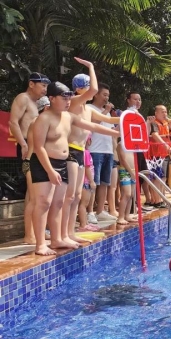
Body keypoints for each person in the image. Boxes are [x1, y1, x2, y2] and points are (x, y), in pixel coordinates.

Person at [30, 81, 124, 256]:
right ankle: (40, 244)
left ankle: (57, 239)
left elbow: (93, 126)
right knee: (43, 203)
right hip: (44, 163)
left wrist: (118, 133)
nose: (68, 101)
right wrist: (50, 170)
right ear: (52, 98)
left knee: (58, 203)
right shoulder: (43, 118)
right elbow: (39, 147)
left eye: (69, 98)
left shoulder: (69, 117)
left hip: (62, 163)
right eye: (64, 98)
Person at [63, 61, 120, 245]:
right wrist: (91, 67)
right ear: (79, 89)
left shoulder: (87, 109)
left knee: (77, 196)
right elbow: (95, 89)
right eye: (87, 87)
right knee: (70, 195)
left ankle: (70, 232)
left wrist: (129, 119)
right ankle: (64, 233)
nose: (91, 91)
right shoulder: (74, 102)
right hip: (70, 150)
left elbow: (107, 121)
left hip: (81, 152)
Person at [10, 73, 51, 244]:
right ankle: (30, 234)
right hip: (28, 146)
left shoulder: (38, 104)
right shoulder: (23, 98)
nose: (45, 89)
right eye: (43, 85)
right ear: (31, 84)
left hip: (37, 147)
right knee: (32, 193)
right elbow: (13, 122)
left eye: (47, 86)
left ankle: (37, 230)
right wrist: (23, 144)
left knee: (37, 193)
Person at [87, 82, 119, 222]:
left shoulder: (108, 114)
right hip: (95, 150)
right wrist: (106, 111)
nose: (107, 98)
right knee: (93, 182)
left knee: (105, 182)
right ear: (96, 94)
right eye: (104, 95)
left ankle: (100, 211)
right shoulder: (89, 108)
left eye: (108, 95)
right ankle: (90, 211)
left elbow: (112, 132)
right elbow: (93, 125)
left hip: (108, 151)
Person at [146, 105, 171, 205]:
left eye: (166, 112)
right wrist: (166, 145)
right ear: (156, 113)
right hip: (155, 154)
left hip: (165, 153)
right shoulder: (154, 122)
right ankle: (157, 200)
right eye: (162, 112)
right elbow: (154, 135)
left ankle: (161, 199)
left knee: (163, 178)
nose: (165, 114)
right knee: (157, 177)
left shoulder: (166, 123)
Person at [77, 135, 99, 232]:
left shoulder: (84, 152)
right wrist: (91, 181)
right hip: (86, 182)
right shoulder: (85, 153)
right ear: (88, 141)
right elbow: (87, 168)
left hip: (86, 181)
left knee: (84, 204)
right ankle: (83, 224)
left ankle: (85, 223)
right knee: (83, 204)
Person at [115, 138, 138, 225]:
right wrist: (131, 172)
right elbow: (123, 160)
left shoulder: (131, 144)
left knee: (131, 195)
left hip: (133, 171)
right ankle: (120, 217)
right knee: (126, 194)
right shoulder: (121, 144)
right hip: (124, 171)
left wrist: (134, 171)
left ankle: (127, 215)